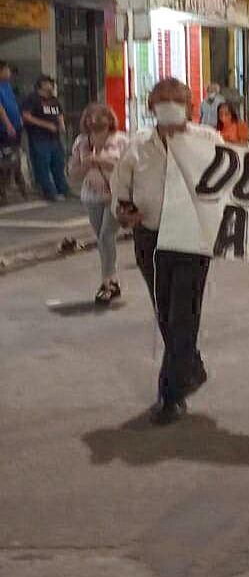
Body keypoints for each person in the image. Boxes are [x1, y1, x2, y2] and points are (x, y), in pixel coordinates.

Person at [113, 78, 223, 424]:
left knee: (183, 315)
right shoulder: (137, 146)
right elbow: (121, 192)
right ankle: (190, 365)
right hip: (151, 238)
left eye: (177, 99)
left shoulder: (208, 140)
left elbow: (228, 183)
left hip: (192, 238)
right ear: (151, 107)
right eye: (163, 100)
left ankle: (171, 394)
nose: (170, 105)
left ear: (190, 107)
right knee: (165, 312)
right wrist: (124, 213)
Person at [68, 103, 129, 306]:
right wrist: (85, 164)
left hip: (116, 196)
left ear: (109, 120)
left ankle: (106, 282)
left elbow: (128, 168)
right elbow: (73, 174)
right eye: (90, 118)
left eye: (99, 117)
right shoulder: (81, 142)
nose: (94, 121)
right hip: (92, 197)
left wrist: (101, 161)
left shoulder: (121, 140)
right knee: (103, 240)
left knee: (106, 236)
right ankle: (113, 280)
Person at [21, 74, 69, 201]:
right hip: (39, 138)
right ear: (41, 85)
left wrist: (62, 125)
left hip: (54, 138)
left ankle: (63, 189)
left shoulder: (53, 99)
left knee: (58, 163)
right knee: (42, 165)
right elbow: (26, 116)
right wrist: (46, 125)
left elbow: (59, 113)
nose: (51, 86)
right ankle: (49, 192)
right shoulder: (32, 99)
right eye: (48, 83)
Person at [0, 60, 28, 203]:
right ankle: (3, 192)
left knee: (15, 157)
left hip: (16, 127)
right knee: (7, 160)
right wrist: (8, 124)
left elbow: (13, 104)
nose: (9, 72)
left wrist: (19, 120)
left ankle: (19, 186)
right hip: (4, 130)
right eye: (6, 69)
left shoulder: (7, 85)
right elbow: (1, 108)